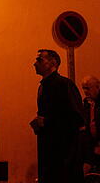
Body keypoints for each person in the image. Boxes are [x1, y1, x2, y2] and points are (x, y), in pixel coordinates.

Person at [30, 49, 84, 183]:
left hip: (63, 151)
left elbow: (76, 117)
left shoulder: (64, 84)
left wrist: (47, 121)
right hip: (48, 148)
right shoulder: (43, 86)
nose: (35, 64)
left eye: (39, 60)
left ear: (52, 63)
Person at [82, 76, 100, 174]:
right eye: (84, 88)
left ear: (97, 87)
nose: (85, 91)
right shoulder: (87, 103)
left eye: (88, 88)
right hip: (91, 145)